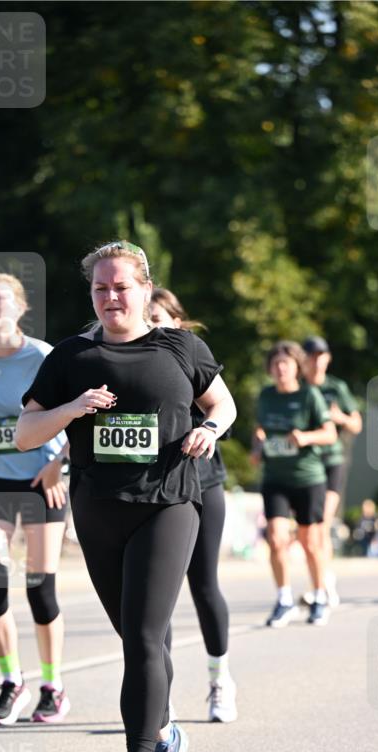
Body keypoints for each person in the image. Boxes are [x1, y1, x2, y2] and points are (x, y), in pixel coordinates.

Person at [16, 241, 236, 752]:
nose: (110, 296)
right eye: (100, 288)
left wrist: (210, 429)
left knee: (141, 636)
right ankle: (165, 738)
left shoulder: (181, 347)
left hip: (168, 504)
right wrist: (72, 408)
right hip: (98, 511)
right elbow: (25, 433)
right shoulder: (72, 356)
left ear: (144, 289)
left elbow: (224, 404)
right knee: (140, 640)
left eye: (121, 286)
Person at [0, 273, 70, 726]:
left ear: (20, 307)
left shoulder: (43, 356)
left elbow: (76, 415)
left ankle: (53, 686)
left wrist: (58, 463)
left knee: (39, 588)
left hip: (41, 479)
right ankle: (11, 680)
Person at [149, 287, 236, 724]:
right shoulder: (127, 359)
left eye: (158, 319)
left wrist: (207, 428)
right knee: (155, 597)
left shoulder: (190, 356)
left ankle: (220, 680)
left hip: (203, 486)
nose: (151, 326)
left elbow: (223, 411)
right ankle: (159, 696)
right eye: (146, 319)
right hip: (158, 491)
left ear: (177, 323)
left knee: (203, 585)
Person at [252, 341, 337, 627]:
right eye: (275, 364)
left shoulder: (309, 395)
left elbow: (330, 434)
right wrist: (257, 446)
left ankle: (319, 596)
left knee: (310, 542)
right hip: (275, 478)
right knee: (276, 538)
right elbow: (259, 428)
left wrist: (306, 438)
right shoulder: (266, 396)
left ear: (297, 367)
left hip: (307, 478)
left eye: (285, 363)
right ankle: (284, 599)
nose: (280, 369)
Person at [302, 336, 362, 606]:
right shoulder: (297, 388)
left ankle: (323, 584)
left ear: (328, 359)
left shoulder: (337, 388)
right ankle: (322, 581)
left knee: (322, 523)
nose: (316, 361)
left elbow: (356, 424)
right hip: (304, 464)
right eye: (312, 356)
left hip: (332, 461)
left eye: (321, 355)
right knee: (309, 530)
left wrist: (340, 418)